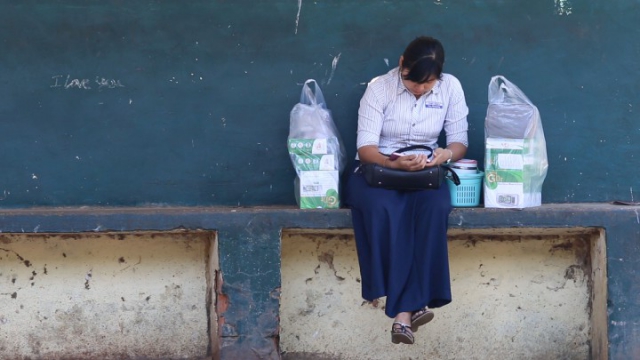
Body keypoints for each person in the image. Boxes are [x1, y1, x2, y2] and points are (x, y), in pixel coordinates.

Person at [344, 36, 469, 345]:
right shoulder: (379, 88)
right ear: (402, 64)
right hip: (378, 171)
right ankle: (411, 306)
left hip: (424, 171)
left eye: (427, 85)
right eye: (413, 81)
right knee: (383, 209)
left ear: (439, 76)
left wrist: (444, 156)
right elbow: (366, 148)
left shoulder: (451, 87)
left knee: (434, 209)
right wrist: (395, 164)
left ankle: (402, 315)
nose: (419, 89)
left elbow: (459, 141)